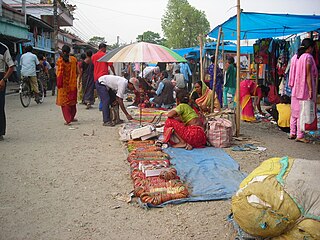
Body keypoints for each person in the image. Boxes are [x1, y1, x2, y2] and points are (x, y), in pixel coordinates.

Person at [288, 38, 318, 143]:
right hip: (304, 89)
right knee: (302, 112)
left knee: (294, 112)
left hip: (295, 87)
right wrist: (310, 90)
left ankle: (292, 132)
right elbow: (309, 74)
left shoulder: (296, 57)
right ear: (309, 48)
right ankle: (299, 135)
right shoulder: (308, 57)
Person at [56, 45, 78, 125]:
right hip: (72, 84)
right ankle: (72, 117)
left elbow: (58, 73)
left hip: (63, 86)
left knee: (65, 103)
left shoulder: (60, 61)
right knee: (72, 102)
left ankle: (68, 119)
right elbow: (77, 72)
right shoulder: (74, 59)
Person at [92, 42, 116, 110]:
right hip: (103, 77)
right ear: (103, 48)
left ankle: (101, 106)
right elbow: (111, 65)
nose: (106, 50)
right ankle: (102, 107)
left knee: (100, 93)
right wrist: (114, 73)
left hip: (96, 77)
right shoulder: (105, 56)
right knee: (105, 94)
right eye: (105, 48)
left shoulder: (93, 56)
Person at [0, 42, 14, 141]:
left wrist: (3, 80)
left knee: (0, 106)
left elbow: (11, 67)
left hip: (0, 79)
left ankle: (0, 132)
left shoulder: (3, 48)